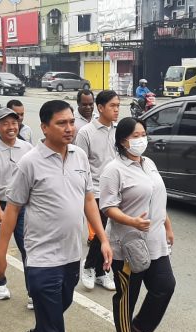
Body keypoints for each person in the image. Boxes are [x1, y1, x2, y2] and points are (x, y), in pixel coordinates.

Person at [0, 100, 113, 332]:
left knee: (58, 308)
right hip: (42, 258)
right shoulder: (30, 162)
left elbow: (89, 199)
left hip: (71, 256)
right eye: (61, 123)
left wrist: (103, 238)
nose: (69, 128)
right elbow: (12, 209)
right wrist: (0, 256)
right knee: (55, 330)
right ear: (45, 128)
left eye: (71, 121)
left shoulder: (79, 156)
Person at [100, 117, 178, 332]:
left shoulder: (149, 163)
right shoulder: (113, 170)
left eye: (143, 134)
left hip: (155, 242)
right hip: (127, 245)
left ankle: (140, 327)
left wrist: (167, 226)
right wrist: (132, 221)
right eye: (136, 135)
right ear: (124, 141)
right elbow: (107, 207)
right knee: (127, 298)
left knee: (165, 285)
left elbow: (157, 198)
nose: (142, 139)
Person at [0, 108, 34, 305]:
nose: (11, 127)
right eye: (5, 124)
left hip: (23, 207)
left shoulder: (28, 148)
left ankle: (33, 292)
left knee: (28, 248)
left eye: (14, 123)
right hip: (1, 205)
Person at [76, 90, 120, 291]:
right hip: (94, 190)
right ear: (100, 108)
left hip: (115, 190)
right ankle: (88, 267)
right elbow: (80, 164)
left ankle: (101, 271)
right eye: (113, 106)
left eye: (118, 105)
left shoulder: (118, 130)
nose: (117, 109)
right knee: (101, 230)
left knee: (109, 232)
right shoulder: (86, 132)